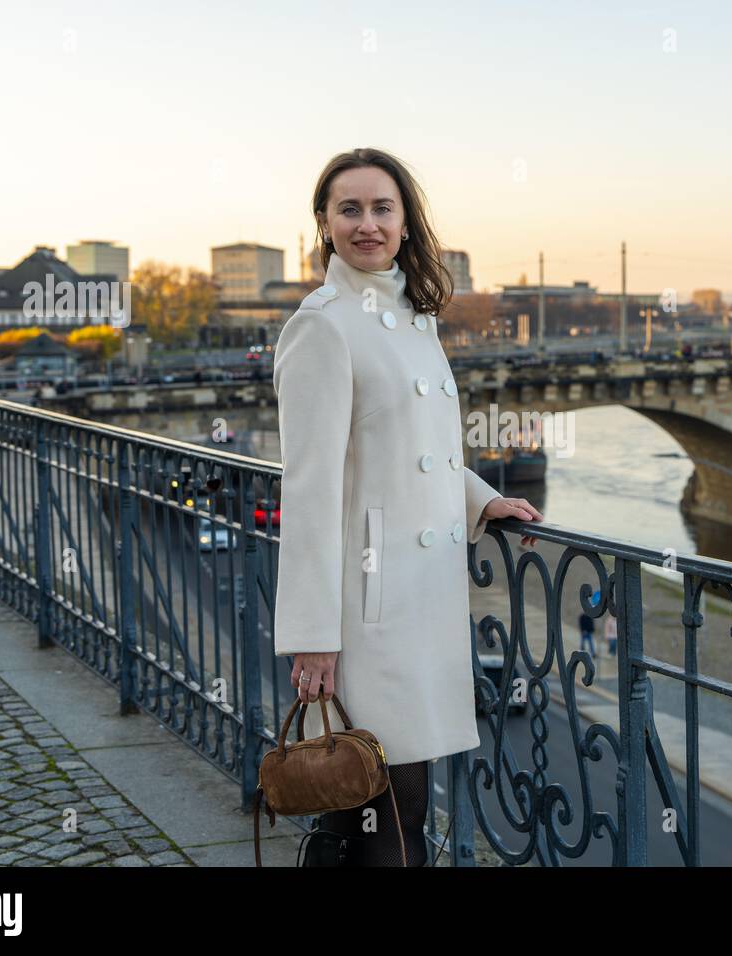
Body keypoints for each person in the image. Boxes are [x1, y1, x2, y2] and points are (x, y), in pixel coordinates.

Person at [273, 148, 543, 866]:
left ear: (404, 221)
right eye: (350, 209)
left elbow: (422, 450)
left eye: (381, 208)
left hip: (418, 600)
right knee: (389, 813)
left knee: (392, 807)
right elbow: (307, 488)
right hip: (369, 611)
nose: (368, 224)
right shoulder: (322, 326)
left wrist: (486, 502)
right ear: (324, 225)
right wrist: (313, 635)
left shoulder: (411, 314)